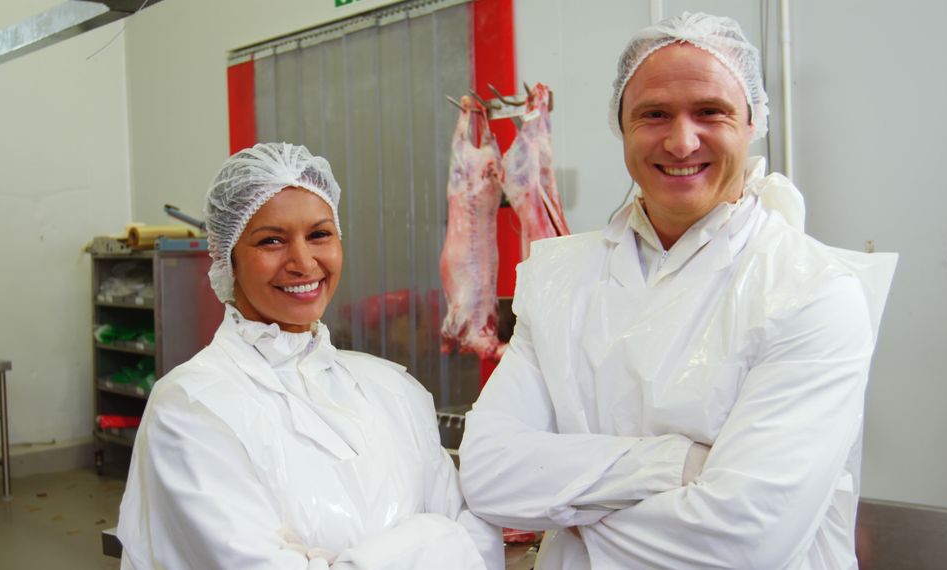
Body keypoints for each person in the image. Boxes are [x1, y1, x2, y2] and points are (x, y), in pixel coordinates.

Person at [458, 12, 897, 569]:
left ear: (752, 121)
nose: (681, 140)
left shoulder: (811, 291)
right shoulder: (559, 279)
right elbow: (488, 474)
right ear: (622, 125)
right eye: (654, 114)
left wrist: (572, 516)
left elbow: (743, 540)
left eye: (710, 112)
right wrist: (682, 465)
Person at [118, 142, 502, 570]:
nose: (303, 262)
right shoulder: (191, 408)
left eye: (319, 234)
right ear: (230, 259)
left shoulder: (394, 391)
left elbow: (481, 543)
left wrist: (344, 561)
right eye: (271, 241)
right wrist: (436, 539)